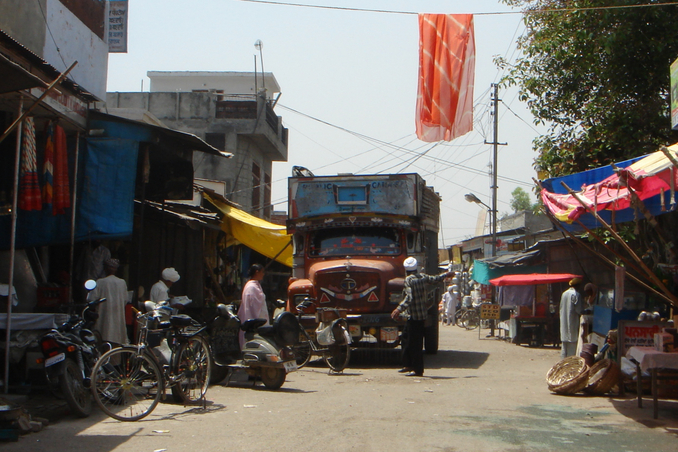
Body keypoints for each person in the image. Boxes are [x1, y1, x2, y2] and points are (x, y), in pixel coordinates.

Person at [391, 257, 453, 377]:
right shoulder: (422, 277)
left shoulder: (409, 280)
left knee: (413, 343)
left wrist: (398, 309)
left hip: (413, 316)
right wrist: (446, 274)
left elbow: (409, 298)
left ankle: (417, 369)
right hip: (421, 316)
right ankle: (409, 365)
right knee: (407, 339)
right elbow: (435, 278)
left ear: (406, 270)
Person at [88, 258, 128, 345]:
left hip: (103, 322)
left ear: (105, 269)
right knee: (116, 350)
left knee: (102, 348)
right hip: (117, 323)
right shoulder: (122, 283)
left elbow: (91, 299)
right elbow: (125, 300)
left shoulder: (100, 282)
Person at [237, 264, 268, 349]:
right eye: (262, 272)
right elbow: (253, 305)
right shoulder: (251, 287)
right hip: (252, 315)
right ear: (257, 272)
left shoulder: (256, 285)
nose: (263, 274)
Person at [559, 277, 584, 359]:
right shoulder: (576, 294)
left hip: (564, 324)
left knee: (564, 348)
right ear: (578, 286)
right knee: (572, 349)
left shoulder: (564, 294)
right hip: (572, 324)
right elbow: (579, 310)